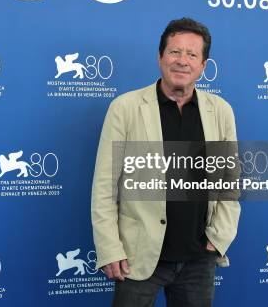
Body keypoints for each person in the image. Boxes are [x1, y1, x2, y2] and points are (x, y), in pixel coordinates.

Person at [91, 18, 240, 307]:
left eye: (192, 54)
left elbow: (229, 183)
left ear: (203, 66)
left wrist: (218, 238)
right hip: (138, 257)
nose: (182, 61)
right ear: (160, 57)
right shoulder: (125, 108)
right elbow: (104, 186)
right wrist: (110, 249)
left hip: (199, 259)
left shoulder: (221, 111)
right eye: (174, 52)